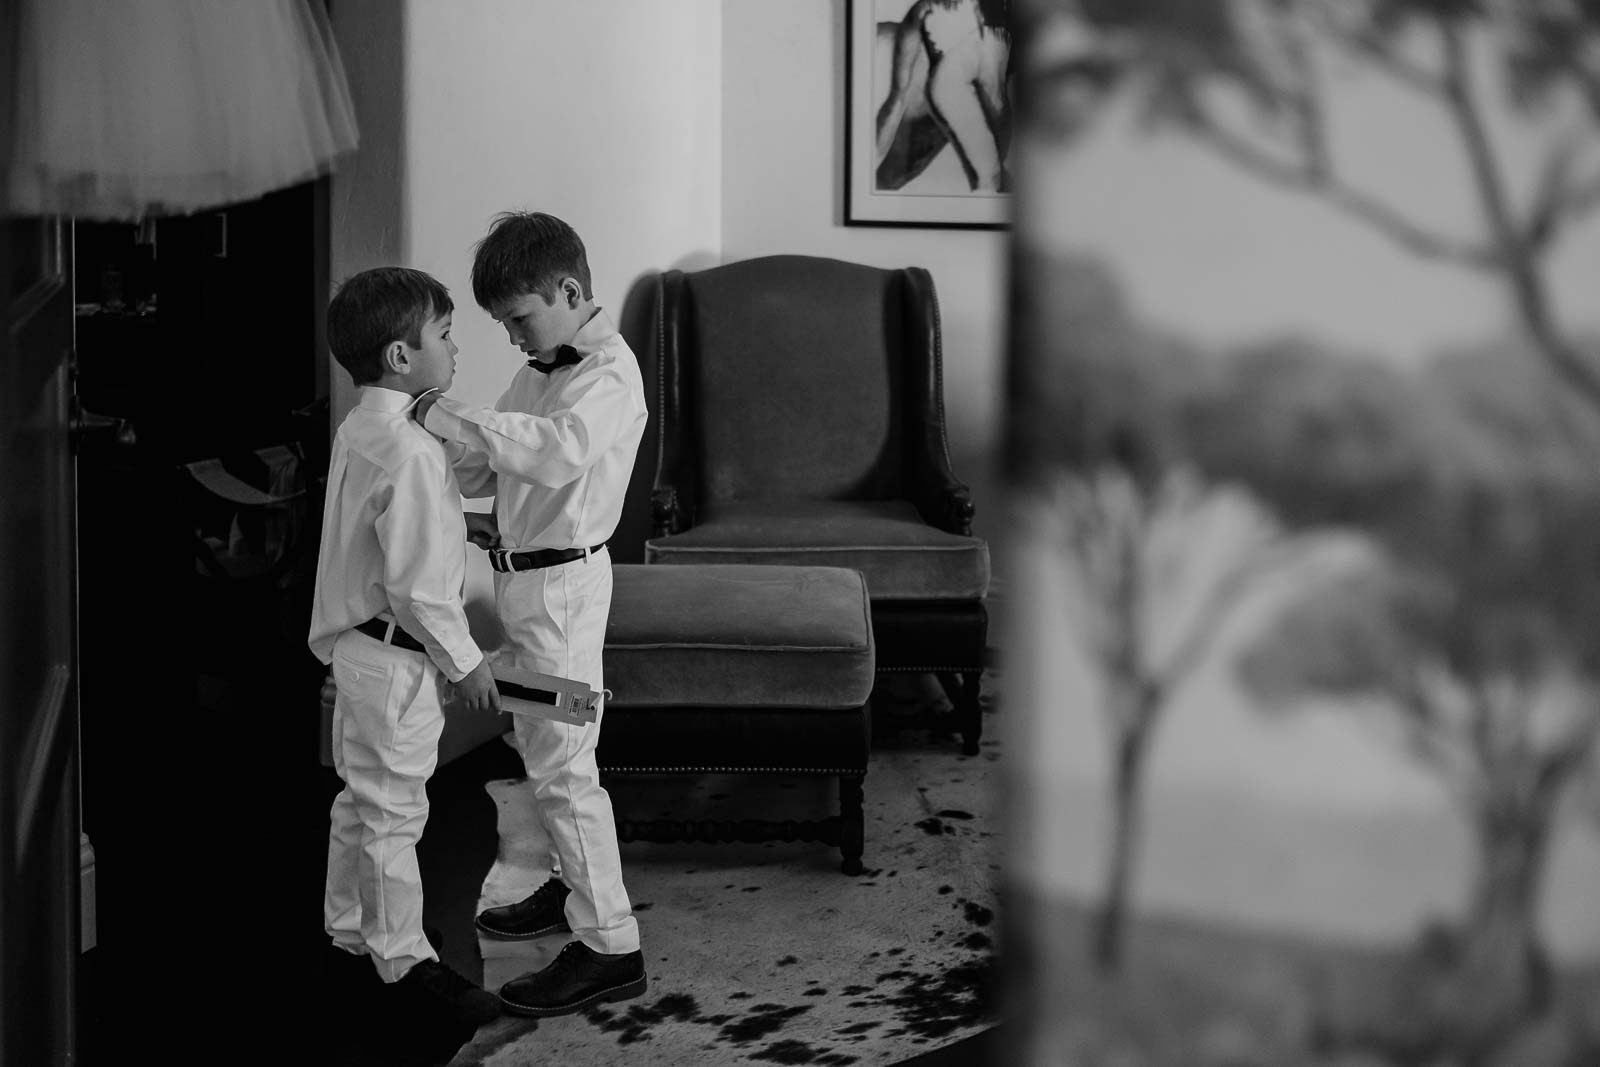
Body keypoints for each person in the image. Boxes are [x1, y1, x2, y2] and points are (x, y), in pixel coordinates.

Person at [412, 211, 648, 1017]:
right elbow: (498, 462)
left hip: (564, 596)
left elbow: (551, 452)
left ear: (569, 291)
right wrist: (430, 467)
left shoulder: (610, 376)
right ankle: (561, 886)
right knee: (541, 738)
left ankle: (609, 942)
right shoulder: (543, 366)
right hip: (527, 584)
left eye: (519, 317)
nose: (512, 338)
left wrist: (441, 410)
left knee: (563, 762)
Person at [308, 265, 503, 1030]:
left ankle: (347, 930)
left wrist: (462, 525)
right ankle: (404, 960)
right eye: (446, 334)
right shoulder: (417, 453)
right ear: (400, 355)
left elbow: (382, 534)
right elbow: (421, 591)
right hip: (398, 662)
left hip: (356, 652)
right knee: (395, 813)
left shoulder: (364, 428)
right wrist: (469, 663)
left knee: (358, 802)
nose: (455, 348)